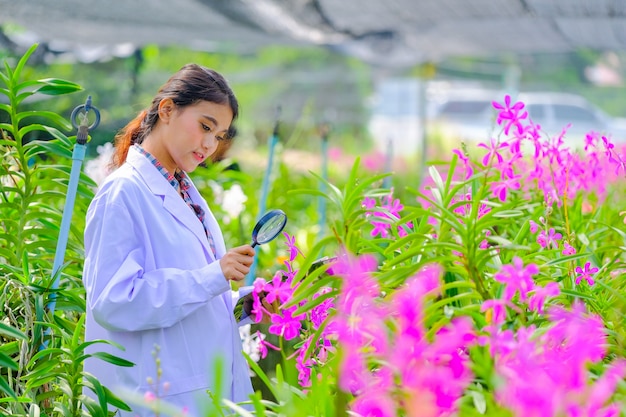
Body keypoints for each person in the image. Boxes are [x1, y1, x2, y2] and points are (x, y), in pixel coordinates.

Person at [82, 64, 269, 416]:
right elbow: (114, 300)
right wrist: (214, 275)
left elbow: (190, 296)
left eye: (219, 136)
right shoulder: (123, 192)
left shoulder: (182, 190)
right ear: (167, 110)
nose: (210, 145)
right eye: (205, 127)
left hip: (197, 390)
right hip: (157, 396)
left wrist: (247, 302)